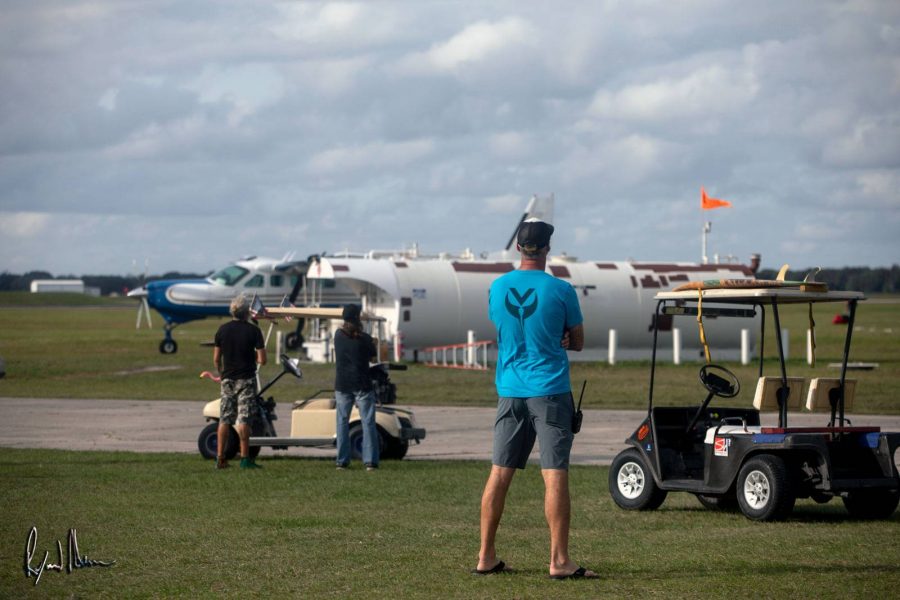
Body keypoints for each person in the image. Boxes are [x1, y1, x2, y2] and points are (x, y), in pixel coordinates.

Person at [475, 218, 598, 580]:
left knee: (499, 473)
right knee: (554, 473)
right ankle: (559, 561)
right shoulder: (561, 291)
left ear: (518, 248)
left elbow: (505, 327)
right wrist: (561, 338)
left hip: (509, 390)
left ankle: (486, 555)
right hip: (550, 389)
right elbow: (576, 341)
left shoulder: (497, 288)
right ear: (547, 249)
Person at [213, 293, 267, 469]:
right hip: (246, 380)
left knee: (225, 419)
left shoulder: (222, 330)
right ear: (246, 313)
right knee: (244, 420)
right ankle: (245, 458)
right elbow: (262, 360)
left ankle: (220, 457)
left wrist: (221, 373)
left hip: (227, 379)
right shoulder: (254, 331)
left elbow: (216, 358)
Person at [334, 303, 379, 471]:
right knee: (368, 422)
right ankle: (370, 462)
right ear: (357, 319)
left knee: (342, 421)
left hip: (343, 384)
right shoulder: (365, 339)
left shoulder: (338, 336)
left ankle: (342, 461)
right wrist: (373, 342)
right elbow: (373, 359)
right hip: (362, 384)